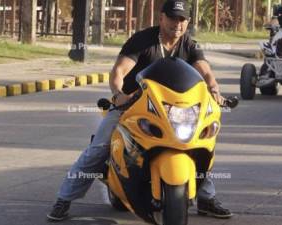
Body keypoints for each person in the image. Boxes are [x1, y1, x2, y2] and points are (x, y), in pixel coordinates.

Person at [47, 0, 232, 221]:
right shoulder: (143, 41)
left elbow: (205, 72)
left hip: (171, 111)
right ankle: (63, 200)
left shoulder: (189, 45)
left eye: (182, 19)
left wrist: (214, 90)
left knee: (196, 145)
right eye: (173, 18)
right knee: (100, 148)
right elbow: (119, 71)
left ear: (188, 22)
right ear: (161, 18)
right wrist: (119, 95)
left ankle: (206, 199)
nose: (177, 24)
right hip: (133, 106)